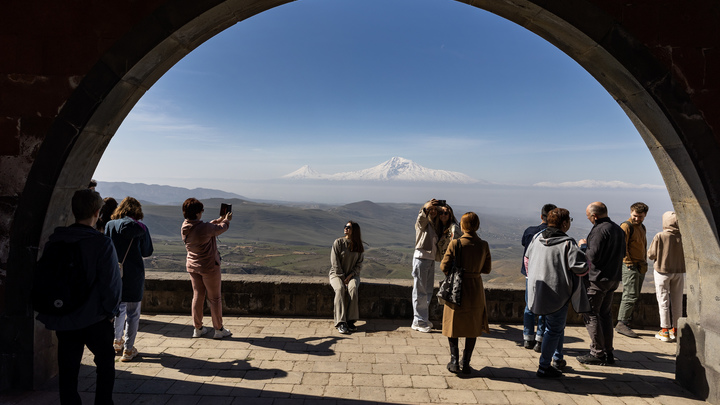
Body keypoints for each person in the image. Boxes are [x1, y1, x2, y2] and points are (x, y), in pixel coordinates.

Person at [36, 189, 121, 404]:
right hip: (95, 316)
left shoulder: (56, 240)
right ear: (97, 212)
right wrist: (110, 312)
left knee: (68, 367)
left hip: (64, 315)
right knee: (104, 363)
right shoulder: (101, 243)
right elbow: (111, 284)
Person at [525, 208, 588, 378]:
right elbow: (581, 268)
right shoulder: (568, 243)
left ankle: (557, 359)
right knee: (554, 330)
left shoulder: (537, 238)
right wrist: (584, 248)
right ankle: (544, 366)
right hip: (558, 293)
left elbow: (528, 258)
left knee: (554, 328)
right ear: (565, 223)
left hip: (537, 290)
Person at [440, 212, 492, 374]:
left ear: (463, 226)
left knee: (452, 324)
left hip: (457, 288)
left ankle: (454, 361)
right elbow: (487, 269)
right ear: (477, 226)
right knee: (473, 326)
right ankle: (466, 363)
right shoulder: (483, 245)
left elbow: (444, 267)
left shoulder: (455, 244)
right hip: (475, 288)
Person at [105, 197, 154, 362]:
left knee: (118, 310)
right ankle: (128, 349)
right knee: (133, 313)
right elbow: (147, 251)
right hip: (133, 274)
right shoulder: (141, 228)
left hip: (114, 273)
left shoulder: (110, 226)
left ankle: (116, 342)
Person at [577, 202, 625, 365]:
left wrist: (583, 246)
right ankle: (608, 351)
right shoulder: (617, 229)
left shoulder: (599, 230)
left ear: (595, 215)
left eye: (589, 216)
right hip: (613, 278)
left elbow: (592, 256)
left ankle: (597, 353)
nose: (589, 219)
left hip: (597, 279)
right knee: (605, 314)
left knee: (591, 314)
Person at [181, 198, 233, 339]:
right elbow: (220, 229)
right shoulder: (204, 228)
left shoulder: (185, 226)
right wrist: (226, 220)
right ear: (198, 212)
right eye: (201, 210)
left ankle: (197, 328)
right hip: (209, 266)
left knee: (198, 296)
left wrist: (219, 219)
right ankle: (219, 329)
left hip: (192, 266)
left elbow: (206, 227)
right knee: (215, 298)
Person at [520, 203, 557, 352]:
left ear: (541, 216)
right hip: (547, 275)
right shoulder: (556, 234)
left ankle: (527, 337)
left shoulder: (530, 231)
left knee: (529, 306)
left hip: (530, 275)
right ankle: (540, 339)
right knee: (545, 309)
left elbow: (524, 244)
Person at [647, 211, 686, 342]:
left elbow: (651, 255)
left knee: (663, 301)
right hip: (679, 271)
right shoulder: (683, 236)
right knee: (677, 301)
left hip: (662, 271)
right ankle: (675, 330)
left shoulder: (660, 236)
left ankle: (664, 331)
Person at [616, 202, 649, 338]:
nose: (637, 218)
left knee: (634, 295)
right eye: (635, 216)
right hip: (630, 265)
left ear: (645, 215)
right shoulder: (626, 226)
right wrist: (628, 263)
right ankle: (622, 323)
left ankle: (626, 321)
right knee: (629, 294)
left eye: (640, 216)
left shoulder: (642, 227)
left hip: (640, 265)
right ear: (631, 213)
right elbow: (622, 246)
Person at [411, 199, 444, 333]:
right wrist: (426, 208)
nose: (433, 212)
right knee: (420, 291)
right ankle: (418, 321)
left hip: (430, 259)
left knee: (428, 290)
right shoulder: (422, 223)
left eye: (436, 210)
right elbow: (421, 219)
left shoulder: (436, 225)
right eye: (431, 209)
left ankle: (423, 319)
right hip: (421, 258)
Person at [329, 221, 364, 334]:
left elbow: (359, 265)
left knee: (353, 289)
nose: (346, 228)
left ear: (354, 230)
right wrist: (343, 277)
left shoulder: (359, 246)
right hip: (336, 274)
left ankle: (350, 320)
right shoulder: (338, 243)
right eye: (345, 226)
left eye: (348, 227)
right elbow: (335, 263)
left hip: (352, 275)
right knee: (340, 289)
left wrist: (350, 276)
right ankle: (340, 322)